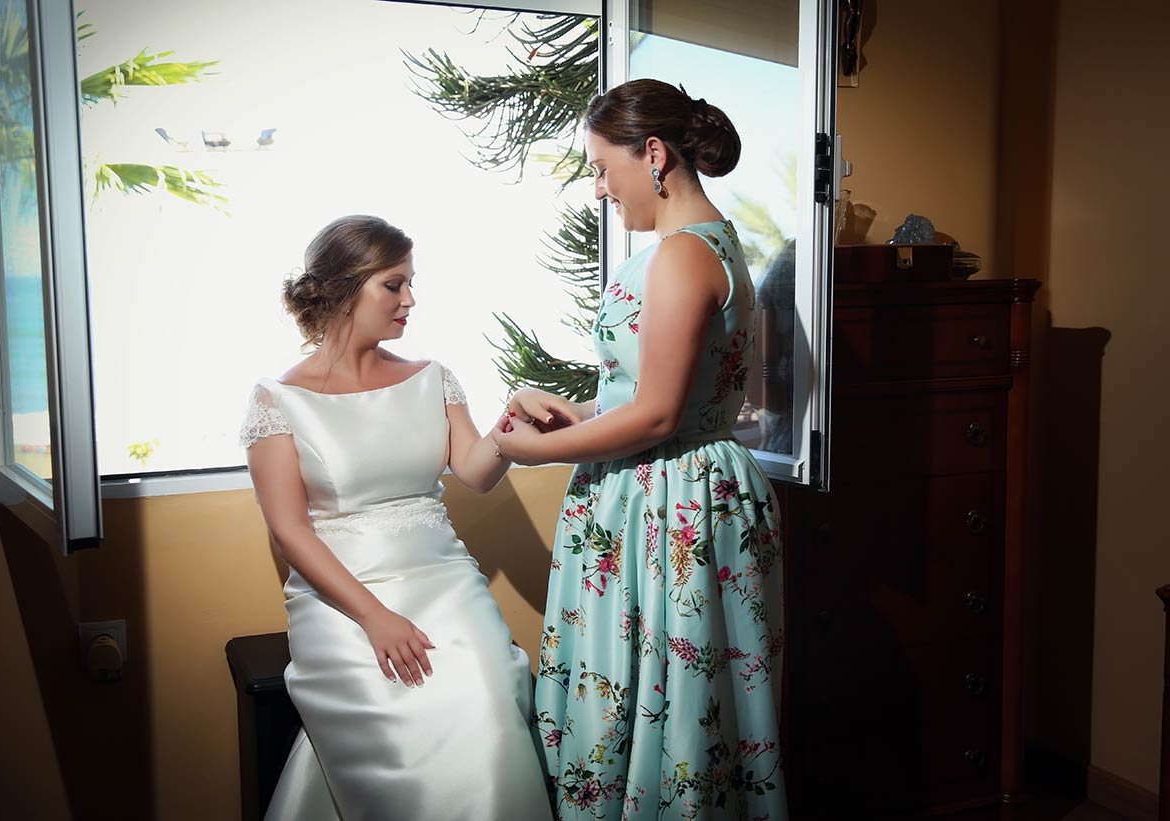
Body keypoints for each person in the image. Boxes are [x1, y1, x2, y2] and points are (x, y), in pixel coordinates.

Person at [492, 79, 788, 820]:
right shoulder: (706, 244)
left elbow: (657, 415)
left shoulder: (683, 256)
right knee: (678, 697)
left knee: (660, 695)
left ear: (653, 154)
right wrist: (580, 413)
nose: (599, 188)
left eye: (601, 167)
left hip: (669, 498)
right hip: (680, 486)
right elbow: (656, 393)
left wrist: (536, 454)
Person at [239, 215, 551, 821]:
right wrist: (375, 617)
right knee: (393, 719)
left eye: (410, 283)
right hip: (342, 599)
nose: (410, 299)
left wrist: (513, 421)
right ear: (344, 288)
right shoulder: (278, 400)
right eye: (393, 284)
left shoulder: (432, 378)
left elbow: (477, 472)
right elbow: (290, 530)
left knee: (487, 699)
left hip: (445, 582)